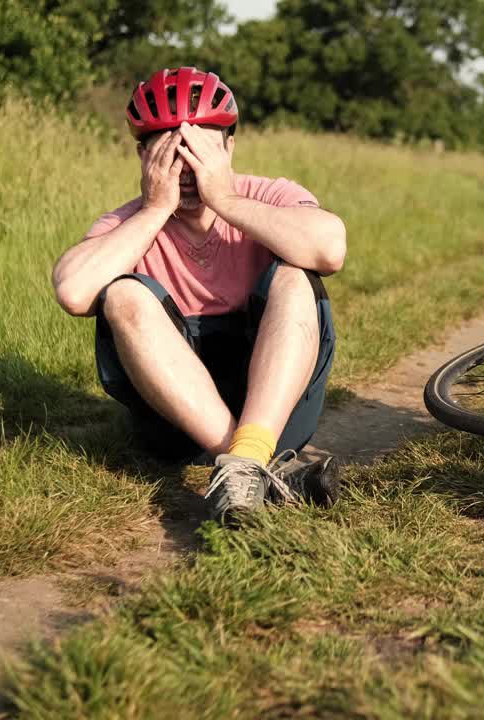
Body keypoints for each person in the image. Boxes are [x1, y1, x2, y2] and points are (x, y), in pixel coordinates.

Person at [51, 67, 345, 525]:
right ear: (142, 155)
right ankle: (258, 469)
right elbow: (73, 292)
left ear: (229, 146)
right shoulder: (128, 223)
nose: (186, 170)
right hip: (174, 423)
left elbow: (329, 249)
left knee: (296, 275)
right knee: (123, 294)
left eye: (199, 149)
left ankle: (248, 457)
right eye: (169, 152)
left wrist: (225, 200)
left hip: (275, 408)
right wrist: (155, 209)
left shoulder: (267, 194)